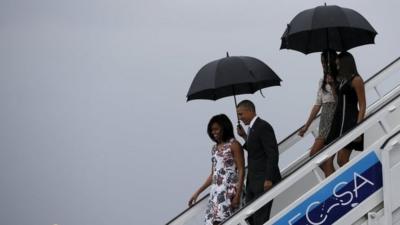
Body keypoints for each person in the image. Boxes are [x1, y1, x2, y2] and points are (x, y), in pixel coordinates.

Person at [188, 114, 245, 225]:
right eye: (211, 130)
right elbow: (214, 175)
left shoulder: (234, 145)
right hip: (216, 191)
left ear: (224, 128)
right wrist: (198, 192)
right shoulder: (214, 148)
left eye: (216, 129)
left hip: (230, 191)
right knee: (213, 222)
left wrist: (237, 195)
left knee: (229, 221)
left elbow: (242, 170)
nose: (213, 132)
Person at [236, 100, 281, 225]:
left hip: (263, 181)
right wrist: (245, 137)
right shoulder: (252, 129)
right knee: (250, 218)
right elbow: (256, 150)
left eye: (241, 114)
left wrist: (269, 178)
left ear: (250, 111)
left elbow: (272, 153)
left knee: (260, 218)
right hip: (252, 182)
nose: (240, 118)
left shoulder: (263, 126)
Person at [298, 50, 338, 177]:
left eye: (325, 62)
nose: (323, 65)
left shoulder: (339, 78)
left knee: (315, 153)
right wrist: (306, 126)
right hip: (324, 118)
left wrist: (332, 85)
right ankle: (335, 180)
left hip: (335, 116)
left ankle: (333, 180)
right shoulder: (322, 81)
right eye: (322, 62)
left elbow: (340, 101)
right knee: (325, 160)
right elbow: (317, 104)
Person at [327, 51, 366, 167]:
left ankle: (359, 181)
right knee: (333, 159)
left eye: (339, 65)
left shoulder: (356, 80)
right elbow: (338, 100)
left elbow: (362, 104)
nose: (338, 67)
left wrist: (358, 127)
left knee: (342, 160)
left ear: (346, 64)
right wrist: (333, 85)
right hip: (339, 121)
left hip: (350, 121)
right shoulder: (342, 80)